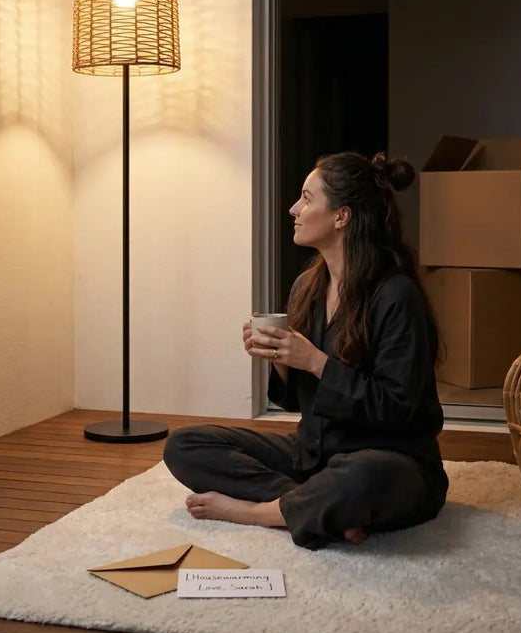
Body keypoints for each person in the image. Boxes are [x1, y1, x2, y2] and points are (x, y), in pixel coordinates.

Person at [163, 150, 449, 550]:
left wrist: (315, 361)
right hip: (316, 458)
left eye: (307, 198)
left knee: (361, 478)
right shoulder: (308, 288)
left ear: (341, 216)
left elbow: (396, 408)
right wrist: (280, 360)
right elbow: (300, 403)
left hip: (391, 459)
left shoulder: (396, 295)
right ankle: (316, 505)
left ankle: (259, 512)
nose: (294, 208)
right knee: (185, 445)